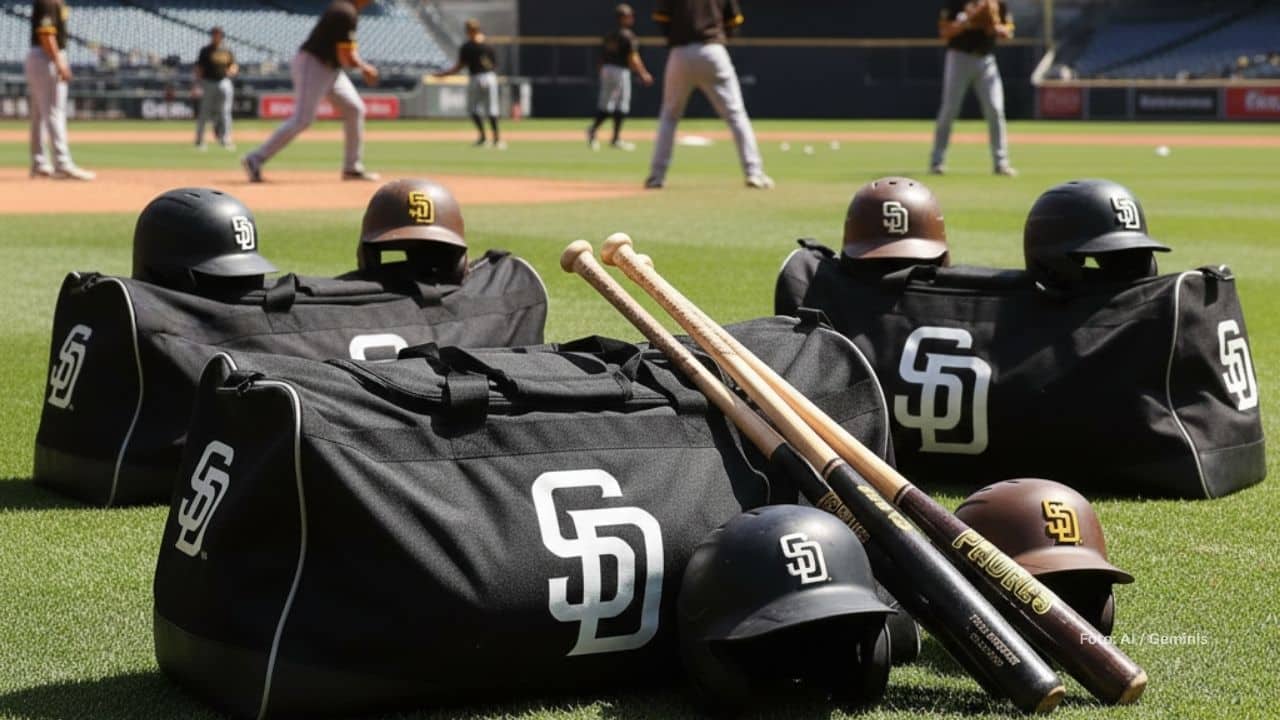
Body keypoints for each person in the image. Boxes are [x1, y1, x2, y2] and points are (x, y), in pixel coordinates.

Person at [242, 0, 380, 183]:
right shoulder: (344, 11)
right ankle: (255, 159)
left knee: (354, 109)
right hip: (314, 64)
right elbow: (345, 55)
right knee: (302, 119)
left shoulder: (348, 10)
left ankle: (352, 169)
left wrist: (360, 66)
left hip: (331, 68)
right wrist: (365, 68)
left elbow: (343, 55)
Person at [645, 0, 770, 190]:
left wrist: (676, 36)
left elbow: (661, 19)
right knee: (736, 116)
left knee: (669, 116)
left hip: (680, 53)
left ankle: (656, 176)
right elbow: (735, 21)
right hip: (713, 50)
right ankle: (754, 173)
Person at [930, 0, 1017, 176]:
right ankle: (937, 161)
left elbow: (1008, 31)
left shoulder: (997, 3)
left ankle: (1001, 163)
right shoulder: (957, 3)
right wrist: (967, 21)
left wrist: (999, 29)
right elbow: (944, 31)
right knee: (950, 110)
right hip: (959, 57)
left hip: (986, 60)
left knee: (995, 109)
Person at [26, 0, 94, 180]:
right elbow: (46, 35)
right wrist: (59, 61)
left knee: (40, 114)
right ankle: (62, 163)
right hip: (46, 56)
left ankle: (39, 163)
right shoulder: (49, 2)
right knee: (54, 112)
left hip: (39, 56)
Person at [587, 4, 653, 151]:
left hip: (606, 69)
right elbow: (633, 57)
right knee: (621, 104)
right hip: (619, 71)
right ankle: (615, 138)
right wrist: (643, 73)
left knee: (606, 104)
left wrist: (601, 70)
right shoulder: (628, 35)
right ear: (622, 18)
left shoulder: (610, 35)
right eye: (629, 16)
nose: (632, 18)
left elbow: (602, 56)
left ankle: (593, 130)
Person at [434, 20, 504, 149]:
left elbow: (459, 67)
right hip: (490, 77)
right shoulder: (488, 44)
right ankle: (497, 140)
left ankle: (484, 138)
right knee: (492, 109)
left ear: (468, 31)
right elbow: (494, 65)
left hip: (477, 77)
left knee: (473, 109)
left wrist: (444, 75)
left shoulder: (467, 46)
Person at [193, 27, 238, 151]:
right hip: (209, 82)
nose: (216, 36)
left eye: (218, 34)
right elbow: (199, 68)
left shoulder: (227, 50)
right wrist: (197, 84)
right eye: (214, 34)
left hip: (224, 82)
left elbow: (233, 65)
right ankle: (200, 140)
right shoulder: (206, 50)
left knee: (225, 112)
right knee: (204, 112)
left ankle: (225, 139)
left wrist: (232, 71)